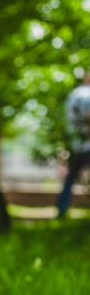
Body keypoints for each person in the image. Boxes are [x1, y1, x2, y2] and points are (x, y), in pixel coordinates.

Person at [57, 70, 90, 219]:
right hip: (88, 143)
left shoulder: (73, 95)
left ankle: (61, 209)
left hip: (75, 143)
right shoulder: (88, 95)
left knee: (70, 179)